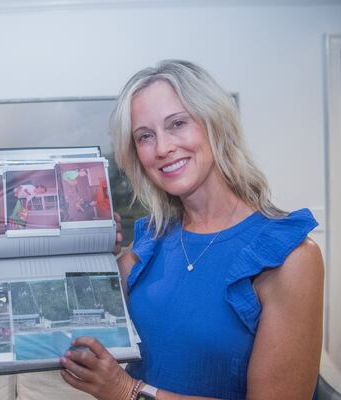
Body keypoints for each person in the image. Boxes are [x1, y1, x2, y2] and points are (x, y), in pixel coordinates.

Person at [60, 60, 324, 399]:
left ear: (215, 124)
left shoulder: (291, 258)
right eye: (145, 136)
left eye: (178, 124)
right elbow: (70, 316)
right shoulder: (151, 244)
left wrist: (129, 391)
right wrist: (86, 246)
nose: (162, 148)